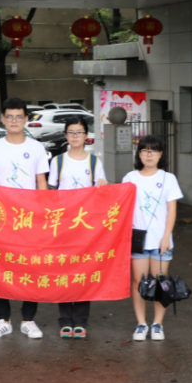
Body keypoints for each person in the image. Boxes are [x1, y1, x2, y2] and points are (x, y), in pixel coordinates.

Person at [0, 97, 50, 339]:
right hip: (0, 219)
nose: (14, 121)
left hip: (29, 218)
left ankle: (28, 320)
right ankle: (3, 319)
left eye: (19, 116)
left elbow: (42, 183)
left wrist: (42, 214)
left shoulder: (36, 148)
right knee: (0, 266)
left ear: (26, 120)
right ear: (3, 120)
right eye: (9, 116)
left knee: (31, 268)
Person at [47, 117, 108, 339]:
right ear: (65, 136)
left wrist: (103, 186)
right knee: (63, 272)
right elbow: (50, 195)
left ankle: (81, 321)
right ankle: (64, 321)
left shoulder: (94, 163)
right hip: (62, 227)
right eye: (71, 132)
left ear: (86, 136)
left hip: (86, 228)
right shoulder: (58, 162)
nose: (75, 136)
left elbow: (102, 195)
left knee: (83, 272)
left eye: (79, 132)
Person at [123, 135, 182, 342]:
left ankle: (157, 324)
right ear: (139, 154)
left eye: (154, 151)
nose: (149, 154)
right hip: (137, 239)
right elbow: (121, 207)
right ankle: (141, 323)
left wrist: (166, 237)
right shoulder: (130, 177)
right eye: (145, 150)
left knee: (160, 283)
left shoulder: (168, 178)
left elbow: (172, 210)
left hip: (161, 241)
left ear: (160, 154)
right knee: (139, 282)